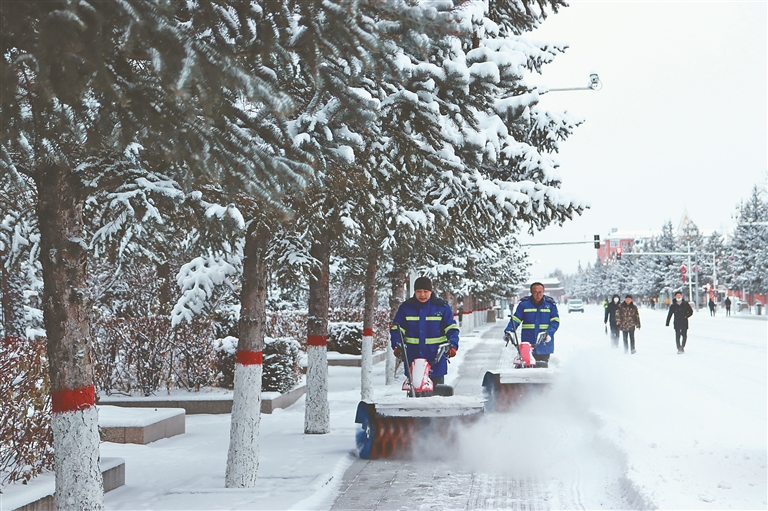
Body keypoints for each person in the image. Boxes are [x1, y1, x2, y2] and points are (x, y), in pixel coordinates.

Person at [390, 277, 458, 385]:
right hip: (413, 359)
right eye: (419, 291)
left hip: (436, 360)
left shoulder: (441, 308)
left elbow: (452, 329)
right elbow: (397, 330)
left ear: (431, 291)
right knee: (415, 394)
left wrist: (453, 345)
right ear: (415, 292)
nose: (422, 295)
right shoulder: (406, 308)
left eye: (425, 291)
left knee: (437, 397)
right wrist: (397, 345)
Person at [504, 282, 560, 367]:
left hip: (543, 343)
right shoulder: (524, 304)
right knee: (526, 366)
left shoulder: (550, 305)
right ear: (531, 292)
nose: (538, 295)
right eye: (535, 292)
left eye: (540, 292)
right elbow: (516, 319)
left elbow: (555, 321)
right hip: (527, 342)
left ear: (543, 292)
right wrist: (509, 330)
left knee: (542, 367)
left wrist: (548, 333)